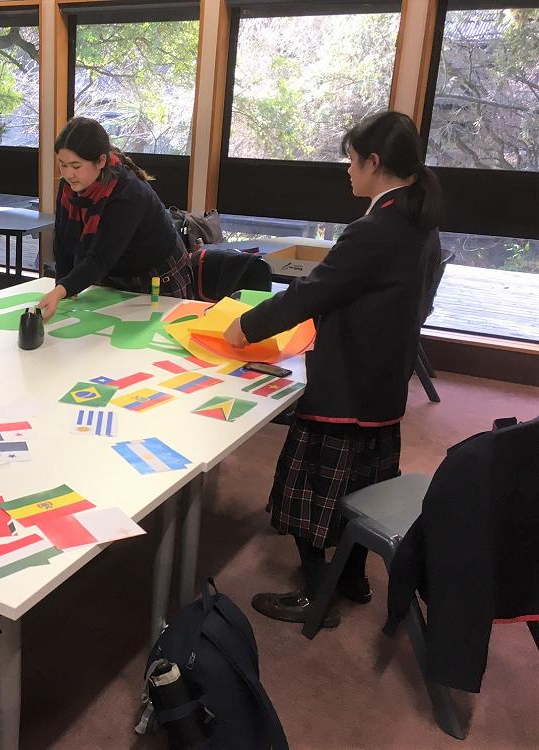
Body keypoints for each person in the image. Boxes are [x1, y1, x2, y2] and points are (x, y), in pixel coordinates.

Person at [223, 111, 442, 627]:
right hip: (383, 382)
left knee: (313, 491)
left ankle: (316, 595)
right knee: (361, 489)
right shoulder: (420, 222)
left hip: (347, 385)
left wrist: (247, 326)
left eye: (352, 160)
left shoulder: (376, 228)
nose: (347, 169)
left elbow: (313, 291)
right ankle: (352, 577)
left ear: (374, 162)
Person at [37, 117, 191, 319]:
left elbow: (100, 257)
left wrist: (61, 290)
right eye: (62, 164)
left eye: (76, 166)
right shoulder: (69, 188)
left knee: (148, 332)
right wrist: (63, 284)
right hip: (112, 270)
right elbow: (63, 242)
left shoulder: (128, 193)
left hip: (156, 273)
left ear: (101, 161)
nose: (68, 174)